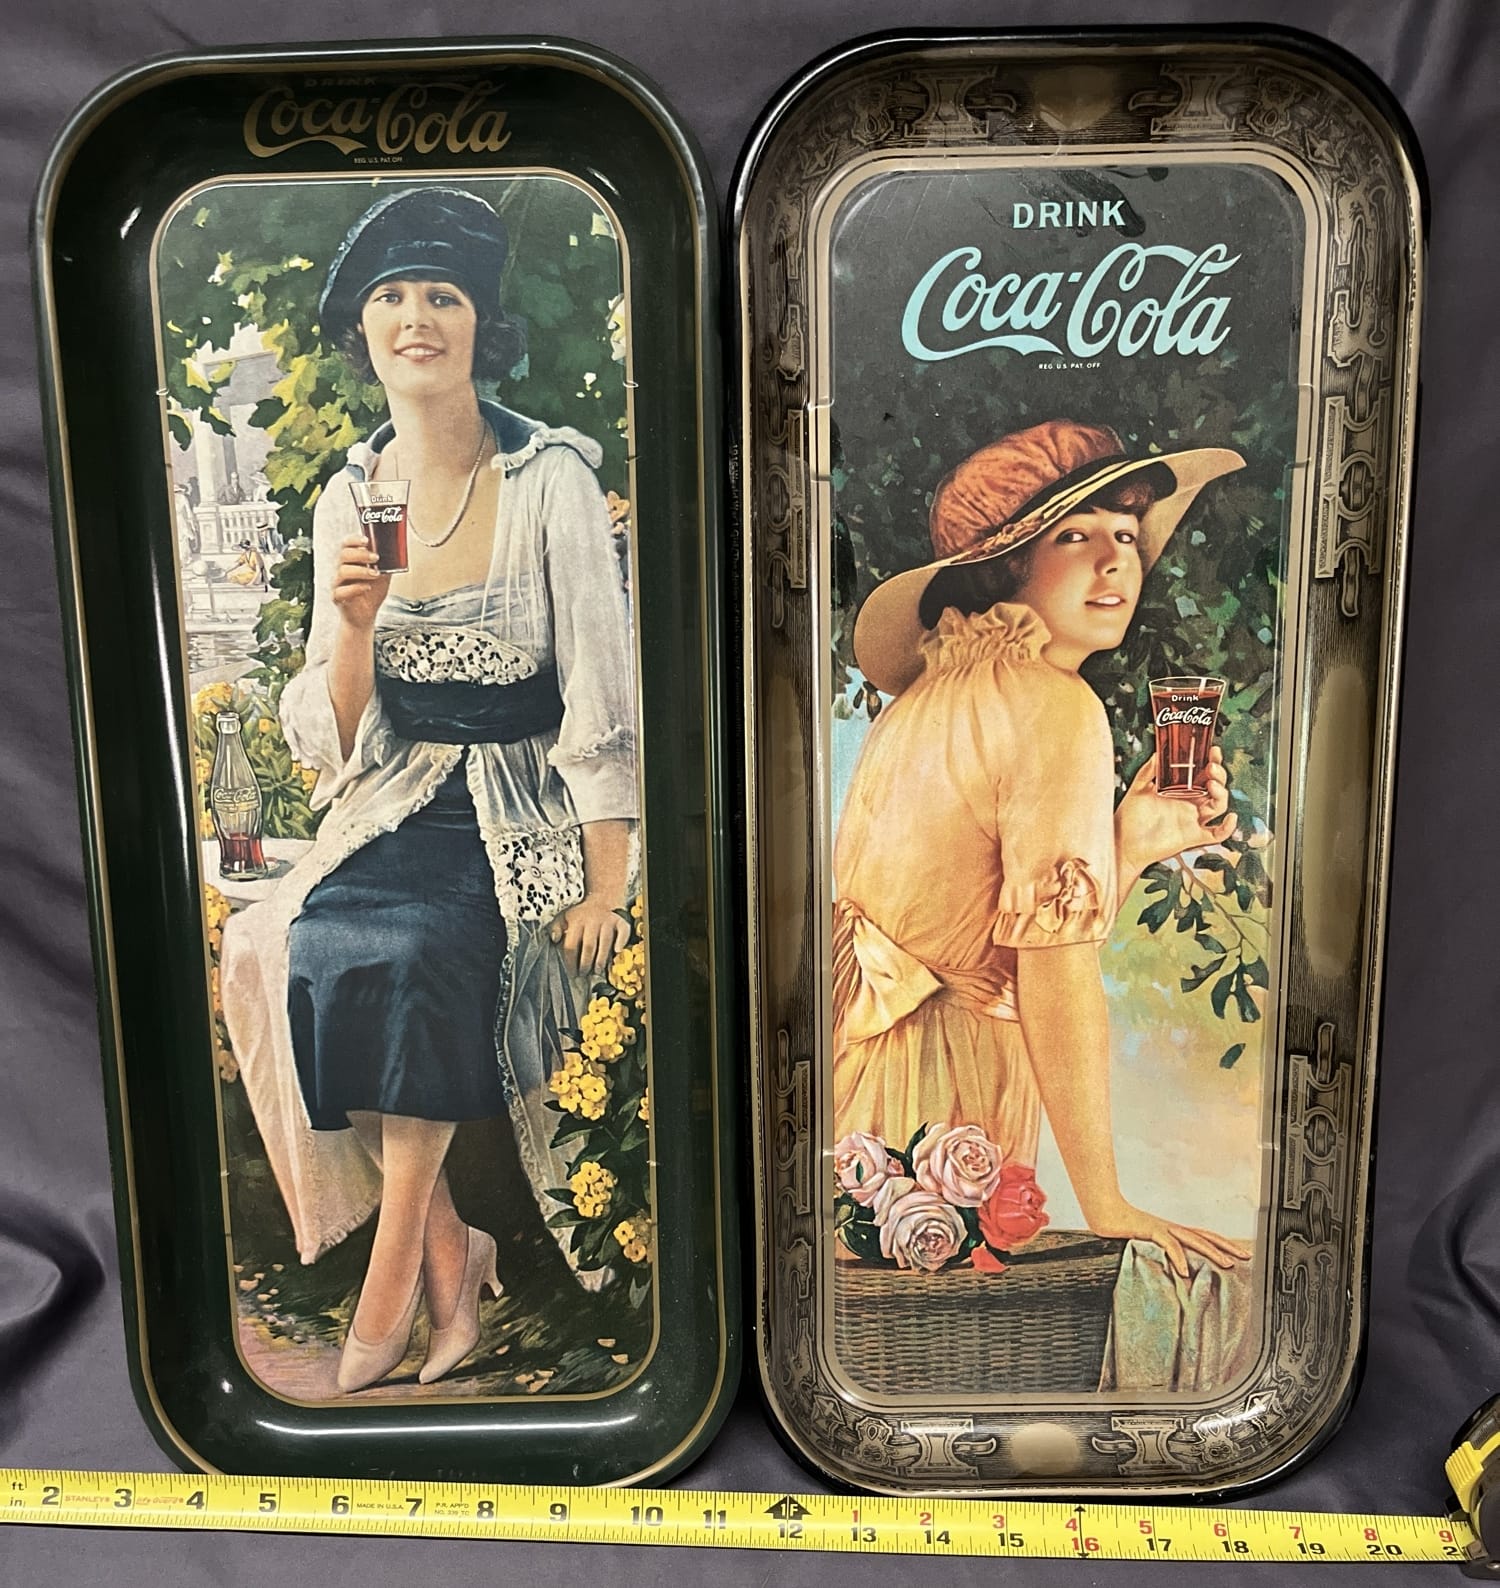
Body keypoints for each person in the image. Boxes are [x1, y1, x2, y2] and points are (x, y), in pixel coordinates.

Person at [220, 186, 637, 1394]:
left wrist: (608, 881)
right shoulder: (351, 496)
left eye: (443, 297)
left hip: (524, 800)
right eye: (391, 298)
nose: (416, 319)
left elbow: (603, 694)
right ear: (363, 331)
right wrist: (355, 628)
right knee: (286, 942)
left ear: (480, 325)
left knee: (416, 953)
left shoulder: (549, 479)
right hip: (401, 792)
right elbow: (341, 734)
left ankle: (394, 1270)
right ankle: (453, 1254)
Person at [834, 419, 1250, 1278]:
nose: (1115, 562)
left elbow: (991, 930)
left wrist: (1124, 848)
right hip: (942, 1089)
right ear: (1008, 566)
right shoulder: (1055, 705)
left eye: (1126, 536)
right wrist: (1108, 1205)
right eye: (1074, 537)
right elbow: (1050, 971)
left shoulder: (931, 695)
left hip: (860, 1077)